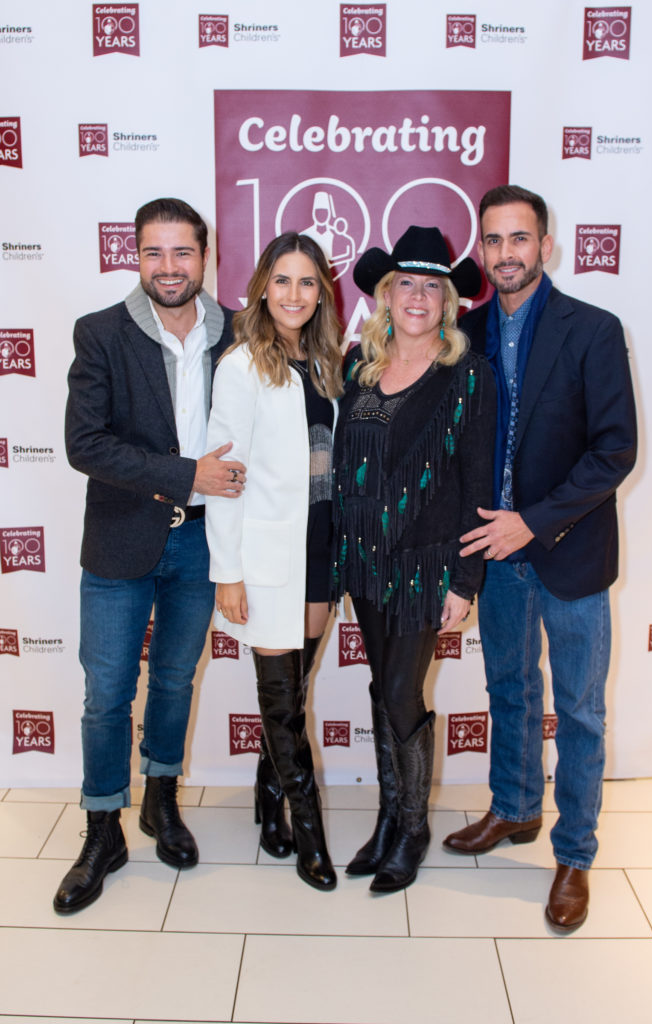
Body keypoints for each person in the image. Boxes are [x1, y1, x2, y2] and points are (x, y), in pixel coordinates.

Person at [441, 185, 637, 933]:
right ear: (481, 250)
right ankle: (516, 809)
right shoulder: (470, 329)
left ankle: (575, 855)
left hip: (571, 553)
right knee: (511, 690)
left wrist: (535, 522)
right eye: (492, 241)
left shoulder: (594, 329)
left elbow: (615, 450)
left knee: (580, 711)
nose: (505, 254)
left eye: (519, 239)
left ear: (545, 246)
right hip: (497, 555)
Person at [54, 198, 246, 914]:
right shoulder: (101, 333)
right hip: (119, 539)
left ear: (206, 254)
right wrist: (183, 473)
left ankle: (159, 802)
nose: (169, 268)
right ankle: (102, 826)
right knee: (107, 693)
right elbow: (85, 445)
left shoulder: (235, 331)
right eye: (154, 254)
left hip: (203, 541)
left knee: (173, 681)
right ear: (136, 257)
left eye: (183, 253)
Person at [333, 226, 496, 893]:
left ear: (450, 299)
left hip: (427, 564)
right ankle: (386, 820)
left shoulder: (469, 375)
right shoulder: (357, 365)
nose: (419, 296)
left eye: (434, 285)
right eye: (407, 283)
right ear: (386, 293)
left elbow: (478, 483)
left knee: (402, 691)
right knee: (380, 688)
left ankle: (413, 825)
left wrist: (467, 579)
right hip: (365, 561)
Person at [205, 231, 344, 891]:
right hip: (264, 555)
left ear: (322, 292)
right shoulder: (241, 365)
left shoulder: (325, 362)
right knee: (283, 704)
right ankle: (307, 832)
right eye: (282, 280)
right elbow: (225, 474)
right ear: (263, 286)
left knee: (296, 689)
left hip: (319, 550)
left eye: (307, 282)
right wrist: (226, 570)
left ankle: (267, 798)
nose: (294, 294)